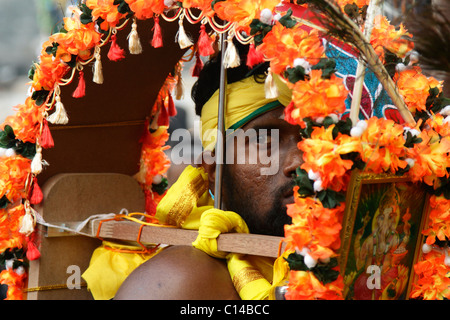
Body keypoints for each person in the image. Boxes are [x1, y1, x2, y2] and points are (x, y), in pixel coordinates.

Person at [112, 42, 304, 300]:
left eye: (311, 134)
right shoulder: (178, 284)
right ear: (214, 171)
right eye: (264, 140)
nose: (299, 161)